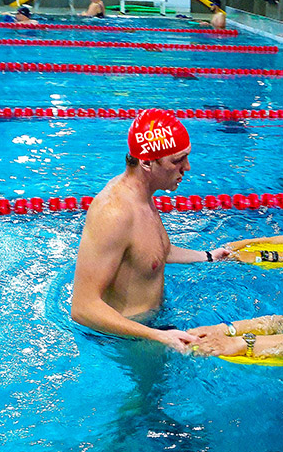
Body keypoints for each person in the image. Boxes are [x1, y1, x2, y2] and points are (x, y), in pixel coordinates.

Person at [71, 109, 230, 350]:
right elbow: (83, 307)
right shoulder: (114, 213)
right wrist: (157, 336)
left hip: (152, 329)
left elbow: (152, 252)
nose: (187, 167)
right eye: (177, 160)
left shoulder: (143, 196)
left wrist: (207, 257)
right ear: (146, 162)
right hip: (127, 342)